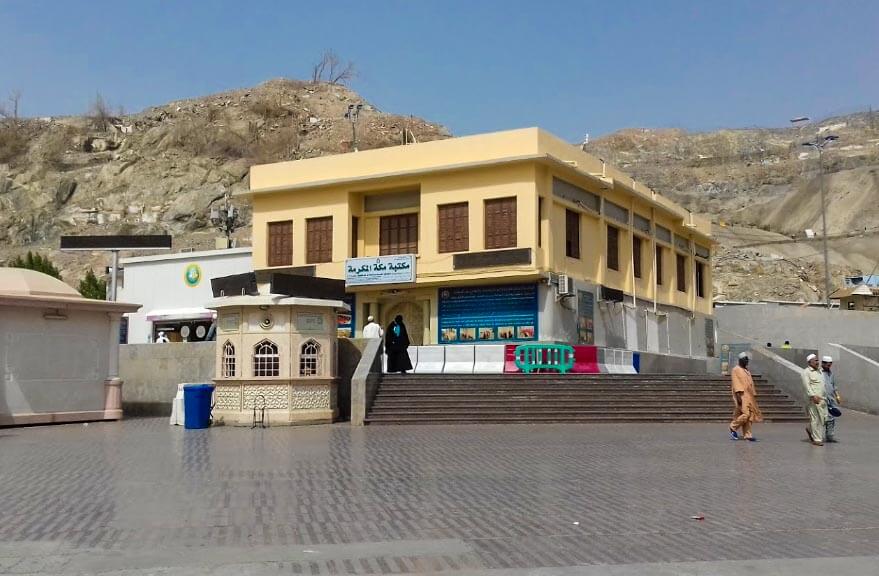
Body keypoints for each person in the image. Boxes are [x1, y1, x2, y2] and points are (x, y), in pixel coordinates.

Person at [728, 352, 762, 441]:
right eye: (745, 360)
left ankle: (748, 435)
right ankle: (733, 426)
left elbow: (750, 384)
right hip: (741, 395)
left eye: (747, 360)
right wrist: (738, 396)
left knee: (750, 415)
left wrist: (753, 394)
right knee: (746, 414)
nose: (747, 362)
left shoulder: (747, 371)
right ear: (740, 360)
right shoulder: (736, 369)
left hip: (749, 396)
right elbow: (736, 383)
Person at [802, 353, 828, 446]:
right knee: (816, 419)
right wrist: (813, 396)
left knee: (824, 418)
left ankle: (810, 429)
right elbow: (806, 385)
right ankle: (817, 439)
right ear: (810, 362)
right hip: (813, 399)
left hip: (822, 399)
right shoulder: (806, 372)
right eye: (815, 360)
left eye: (817, 360)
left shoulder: (819, 371)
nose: (817, 362)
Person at [821, 356, 842, 442]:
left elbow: (834, 386)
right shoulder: (819, 373)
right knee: (823, 418)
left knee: (832, 417)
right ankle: (813, 431)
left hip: (831, 399)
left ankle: (830, 436)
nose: (829, 366)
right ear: (823, 364)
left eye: (830, 365)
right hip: (822, 398)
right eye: (827, 365)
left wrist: (837, 396)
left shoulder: (831, 374)